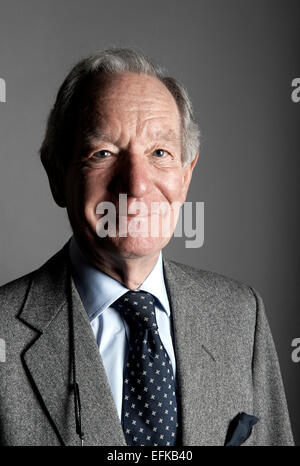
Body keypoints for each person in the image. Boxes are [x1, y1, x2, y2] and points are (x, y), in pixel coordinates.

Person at [0, 48, 294, 446]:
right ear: (57, 174)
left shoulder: (242, 317)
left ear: (186, 176)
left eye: (160, 153)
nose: (136, 185)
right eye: (102, 153)